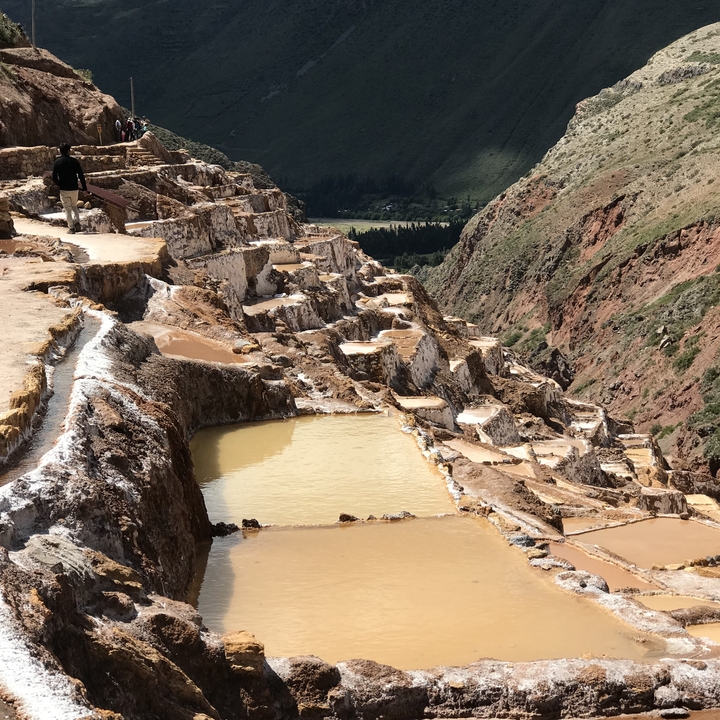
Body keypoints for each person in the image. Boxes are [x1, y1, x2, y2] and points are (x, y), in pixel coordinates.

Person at [52, 143, 87, 234]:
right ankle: (77, 223)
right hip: (74, 188)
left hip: (64, 189)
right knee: (74, 206)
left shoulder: (57, 162)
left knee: (67, 209)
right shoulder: (74, 161)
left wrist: (59, 184)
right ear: (68, 150)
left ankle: (71, 228)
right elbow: (81, 176)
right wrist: (84, 188)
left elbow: (54, 177)